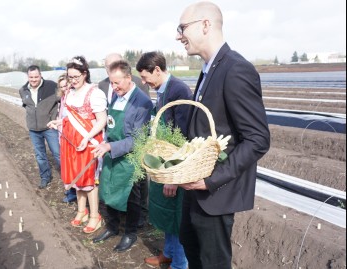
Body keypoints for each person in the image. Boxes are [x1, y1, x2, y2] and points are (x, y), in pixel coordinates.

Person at [175, 2, 270, 268]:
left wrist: (211, 180)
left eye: (182, 28)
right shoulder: (210, 68)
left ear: (205, 25)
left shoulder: (236, 69)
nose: (178, 35)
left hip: (215, 193)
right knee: (190, 245)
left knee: (213, 262)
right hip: (194, 187)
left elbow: (258, 139)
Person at [136, 52, 192, 269]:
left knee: (177, 219)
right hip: (164, 163)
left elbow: (184, 138)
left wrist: (174, 176)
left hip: (175, 168)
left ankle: (179, 264)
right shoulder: (162, 90)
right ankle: (167, 253)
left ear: (157, 70)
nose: (143, 82)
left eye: (145, 76)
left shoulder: (179, 91)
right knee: (167, 214)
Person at [91, 60, 153, 252]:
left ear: (128, 77)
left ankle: (130, 233)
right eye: (111, 83)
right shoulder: (118, 95)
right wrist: (105, 143)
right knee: (109, 191)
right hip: (112, 153)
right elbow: (111, 123)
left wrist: (111, 146)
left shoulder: (142, 103)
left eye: (117, 82)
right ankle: (112, 227)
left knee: (131, 197)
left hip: (130, 158)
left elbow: (137, 139)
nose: (114, 87)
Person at [48, 56, 107, 234]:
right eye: (70, 77)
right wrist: (58, 123)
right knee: (77, 178)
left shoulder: (95, 93)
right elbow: (69, 118)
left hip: (88, 142)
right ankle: (82, 211)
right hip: (70, 142)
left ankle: (95, 216)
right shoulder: (69, 93)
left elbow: (101, 120)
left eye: (76, 77)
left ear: (85, 74)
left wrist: (87, 138)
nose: (73, 81)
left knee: (89, 179)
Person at [19, 65, 60, 189]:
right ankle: (45, 177)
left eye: (36, 76)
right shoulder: (23, 90)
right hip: (33, 129)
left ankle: (67, 176)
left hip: (49, 127)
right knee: (40, 155)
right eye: (31, 77)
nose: (34, 79)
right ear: (28, 77)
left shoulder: (51, 86)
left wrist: (54, 118)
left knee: (57, 153)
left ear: (40, 75)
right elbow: (26, 106)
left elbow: (61, 101)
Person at [55, 74, 77, 203]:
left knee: (73, 164)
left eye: (66, 85)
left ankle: (74, 191)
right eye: (62, 86)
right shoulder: (63, 98)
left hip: (71, 136)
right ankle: (71, 189)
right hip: (63, 135)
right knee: (67, 164)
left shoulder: (73, 98)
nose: (64, 88)